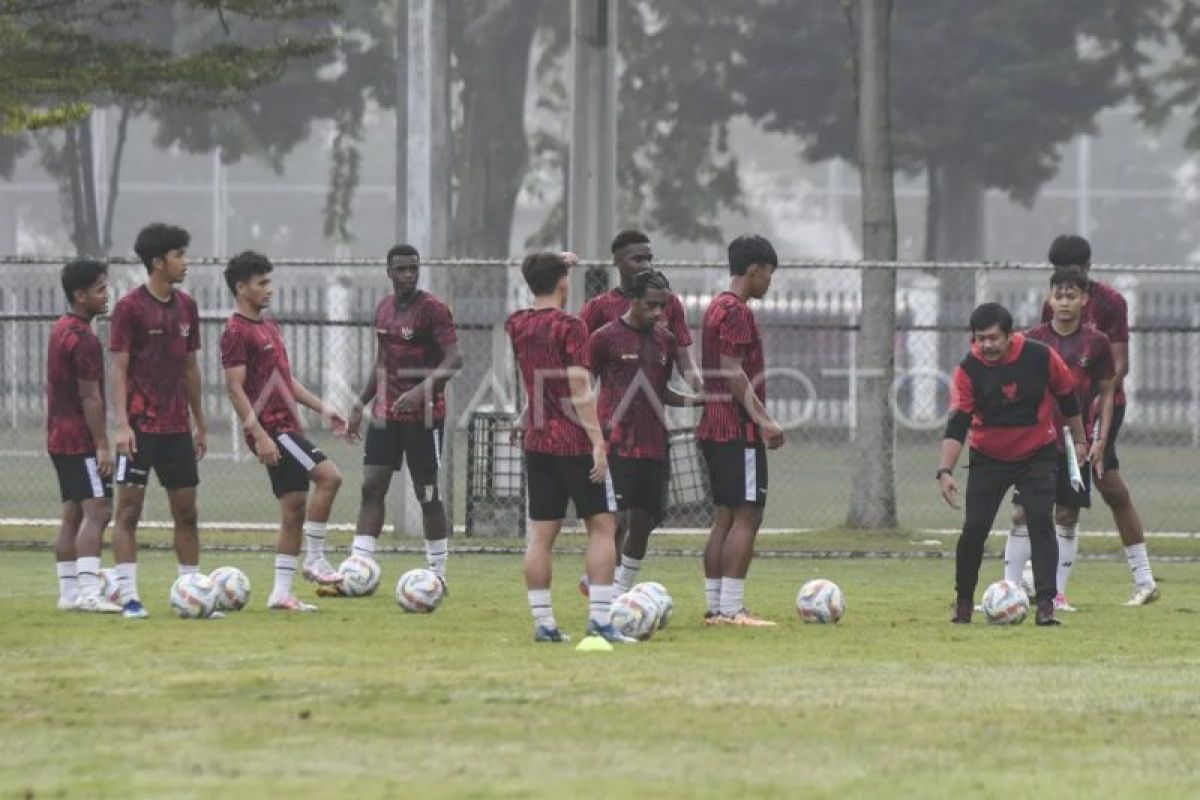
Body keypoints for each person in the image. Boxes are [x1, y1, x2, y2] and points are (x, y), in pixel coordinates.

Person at [505, 251, 632, 644]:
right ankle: (600, 620)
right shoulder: (571, 326)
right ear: (564, 282)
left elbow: (539, 379)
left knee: (542, 534)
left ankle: (544, 623)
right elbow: (578, 388)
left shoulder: (517, 324)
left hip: (538, 440)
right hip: (573, 441)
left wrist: (551, 263)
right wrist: (598, 442)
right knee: (602, 526)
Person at [938, 302, 1088, 626]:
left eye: (993, 338)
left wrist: (1079, 440)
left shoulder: (1040, 357)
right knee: (974, 529)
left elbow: (1067, 397)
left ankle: (1046, 605)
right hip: (988, 458)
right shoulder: (968, 369)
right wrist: (946, 470)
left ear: (1010, 335)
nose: (987, 345)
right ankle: (963, 602)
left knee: (1039, 521)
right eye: (980, 339)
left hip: (1037, 454)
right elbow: (958, 422)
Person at [220, 251, 354, 612]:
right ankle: (315, 558)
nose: (269, 289)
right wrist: (259, 434)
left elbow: (285, 380)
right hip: (272, 430)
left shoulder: (269, 326)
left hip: (286, 425)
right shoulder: (235, 331)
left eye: (269, 281)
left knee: (294, 508)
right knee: (330, 478)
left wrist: (323, 408)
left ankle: (280, 593)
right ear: (241, 287)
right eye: (261, 283)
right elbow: (235, 388)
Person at [577, 230, 702, 595]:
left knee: (647, 516)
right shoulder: (600, 315)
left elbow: (681, 365)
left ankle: (611, 585)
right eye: (637, 259)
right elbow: (579, 370)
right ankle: (608, 591)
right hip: (615, 436)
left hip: (653, 436)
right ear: (617, 261)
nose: (645, 264)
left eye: (649, 258)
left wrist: (704, 393)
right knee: (614, 519)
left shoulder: (667, 313)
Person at [1040, 234, 1159, 605]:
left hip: (1102, 405)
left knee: (1097, 486)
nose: (1064, 289)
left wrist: (1092, 401)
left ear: (1088, 269)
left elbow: (1120, 364)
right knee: (1086, 492)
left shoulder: (1111, 302)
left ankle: (1141, 579)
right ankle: (1045, 583)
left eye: (1072, 275)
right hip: (1066, 409)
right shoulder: (1056, 302)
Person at [344, 245, 462, 591]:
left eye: (413, 269)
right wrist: (360, 403)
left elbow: (454, 360)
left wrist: (420, 391)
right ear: (389, 272)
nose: (408, 275)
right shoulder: (383, 310)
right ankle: (359, 566)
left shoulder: (434, 310)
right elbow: (382, 361)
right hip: (384, 415)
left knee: (427, 493)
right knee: (371, 487)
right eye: (401, 270)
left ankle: (437, 573)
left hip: (424, 418)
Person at [109, 223, 206, 619]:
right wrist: (121, 425)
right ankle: (129, 596)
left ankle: (193, 593)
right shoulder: (129, 308)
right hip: (138, 428)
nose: (185, 262)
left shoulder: (187, 307)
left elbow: (190, 367)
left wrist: (199, 420)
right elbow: (117, 368)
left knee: (187, 513)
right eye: (179, 255)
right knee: (128, 512)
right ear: (157, 262)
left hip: (176, 429)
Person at [1005, 268, 1115, 611]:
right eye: (1058, 296)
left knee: (1066, 514)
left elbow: (1107, 394)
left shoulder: (1097, 344)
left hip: (1075, 444)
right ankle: (1009, 590)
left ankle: (1057, 594)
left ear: (1084, 300)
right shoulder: (1031, 340)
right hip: (1036, 442)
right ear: (1049, 298)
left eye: (1072, 296)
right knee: (1022, 513)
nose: (1064, 303)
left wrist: (1100, 440)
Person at [698, 234, 785, 627]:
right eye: (769, 274)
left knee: (724, 518)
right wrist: (764, 419)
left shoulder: (715, 306)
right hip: (738, 430)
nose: (769, 282)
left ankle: (716, 607)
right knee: (748, 515)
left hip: (715, 429)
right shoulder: (737, 312)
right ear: (754, 270)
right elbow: (733, 371)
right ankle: (733, 609)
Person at [47, 260, 121, 613]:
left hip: (57, 436)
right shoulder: (84, 338)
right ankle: (90, 593)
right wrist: (102, 445)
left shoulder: (60, 328)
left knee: (73, 514)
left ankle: (69, 593)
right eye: (100, 290)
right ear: (80, 295)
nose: (107, 296)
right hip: (80, 440)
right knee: (99, 510)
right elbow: (90, 396)